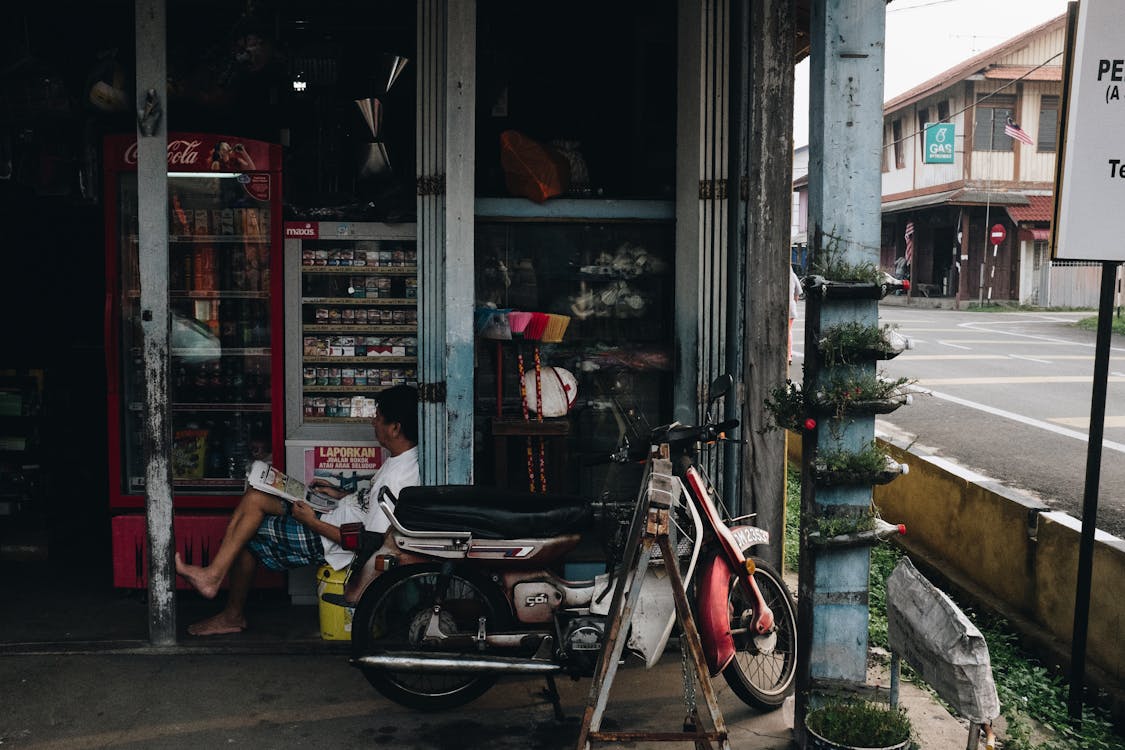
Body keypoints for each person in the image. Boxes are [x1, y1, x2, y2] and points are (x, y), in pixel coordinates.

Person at [175, 384, 419, 636]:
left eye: (378, 418)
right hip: (334, 514)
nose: (373, 423)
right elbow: (372, 505)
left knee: (247, 533)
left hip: (328, 537)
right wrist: (340, 494)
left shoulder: (399, 476)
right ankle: (217, 583)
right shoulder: (402, 458)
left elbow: (369, 542)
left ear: (395, 428)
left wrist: (311, 521)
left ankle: (224, 600)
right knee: (256, 496)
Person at [788, 266, 802, 365]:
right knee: (789, 331)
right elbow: (798, 292)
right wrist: (794, 303)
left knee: (786, 331)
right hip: (791, 307)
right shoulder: (793, 276)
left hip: (787, 307)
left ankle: (788, 355)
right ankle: (789, 354)